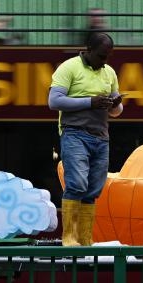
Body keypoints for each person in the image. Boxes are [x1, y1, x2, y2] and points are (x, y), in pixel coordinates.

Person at [48, 32, 124, 246]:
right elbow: (54, 101)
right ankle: (70, 238)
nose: (105, 61)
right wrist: (90, 102)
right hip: (74, 133)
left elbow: (117, 112)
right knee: (77, 184)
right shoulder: (68, 67)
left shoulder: (109, 72)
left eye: (108, 56)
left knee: (93, 189)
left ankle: (84, 239)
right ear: (88, 50)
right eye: (101, 56)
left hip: (101, 137)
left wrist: (115, 103)